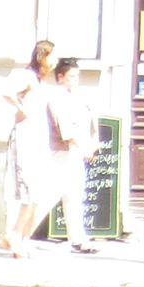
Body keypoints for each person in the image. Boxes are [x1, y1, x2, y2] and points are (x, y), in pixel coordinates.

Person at [2, 38, 57, 259]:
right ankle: (15, 235)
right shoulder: (28, 77)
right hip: (26, 139)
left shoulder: (40, 80)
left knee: (38, 192)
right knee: (30, 191)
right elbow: (7, 91)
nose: (56, 60)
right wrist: (20, 108)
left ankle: (24, 238)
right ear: (43, 56)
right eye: (53, 55)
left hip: (37, 139)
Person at [46, 56, 100, 254]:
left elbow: (88, 121)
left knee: (74, 195)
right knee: (50, 195)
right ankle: (19, 234)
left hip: (75, 151)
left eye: (78, 75)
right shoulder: (57, 96)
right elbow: (65, 129)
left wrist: (91, 144)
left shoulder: (76, 95)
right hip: (62, 152)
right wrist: (82, 147)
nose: (76, 79)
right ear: (60, 77)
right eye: (72, 76)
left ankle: (78, 239)